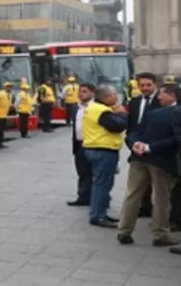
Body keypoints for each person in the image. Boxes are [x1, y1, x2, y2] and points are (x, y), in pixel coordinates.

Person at [116, 84, 179, 246]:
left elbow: (135, 131)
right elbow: (176, 140)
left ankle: (124, 230)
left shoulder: (152, 113)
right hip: (162, 161)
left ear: (173, 95)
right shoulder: (174, 113)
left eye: (162, 94)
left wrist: (135, 143)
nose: (158, 97)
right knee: (161, 198)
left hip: (139, 158)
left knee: (133, 194)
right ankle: (160, 234)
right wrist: (148, 147)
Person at [82, 85, 128, 228]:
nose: (116, 97)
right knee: (102, 184)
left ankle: (99, 212)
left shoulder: (94, 107)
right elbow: (118, 126)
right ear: (106, 97)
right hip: (103, 150)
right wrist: (122, 114)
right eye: (114, 94)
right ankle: (97, 216)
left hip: (93, 148)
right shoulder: (102, 111)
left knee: (100, 183)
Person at [126, 72, 160, 219]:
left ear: (155, 84)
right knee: (139, 184)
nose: (145, 88)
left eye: (148, 85)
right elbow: (131, 126)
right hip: (137, 148)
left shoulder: (162, 101)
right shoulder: (134, 101)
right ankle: (145, 207)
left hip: (157, 147)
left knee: (159, 185)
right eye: (142, 85)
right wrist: (132, 143)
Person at [68, 83, 96, 207]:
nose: (81, 93)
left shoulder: (97, 106)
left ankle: (98, 199)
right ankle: (83, 196)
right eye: (80, 91)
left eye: (84, 91)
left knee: (95, 173)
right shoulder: (76, 108)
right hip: (79, 144)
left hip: (94, 143)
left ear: (92, 93)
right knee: (82, 171)